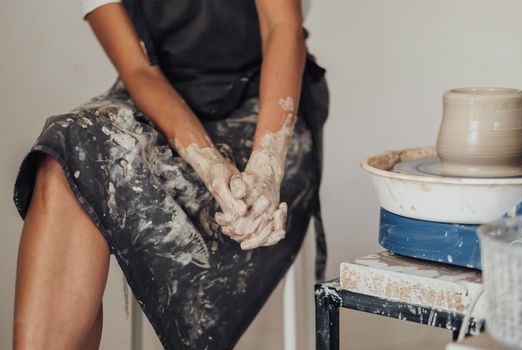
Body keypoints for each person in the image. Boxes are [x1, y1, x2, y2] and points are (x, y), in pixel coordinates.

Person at [12, 0, 328, 348]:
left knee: (82, 161)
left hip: (263, 103)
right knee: (70, 156)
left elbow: (281, 28)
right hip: (158, 94)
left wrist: (266, 165)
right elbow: (140, 71)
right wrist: (209, 164)